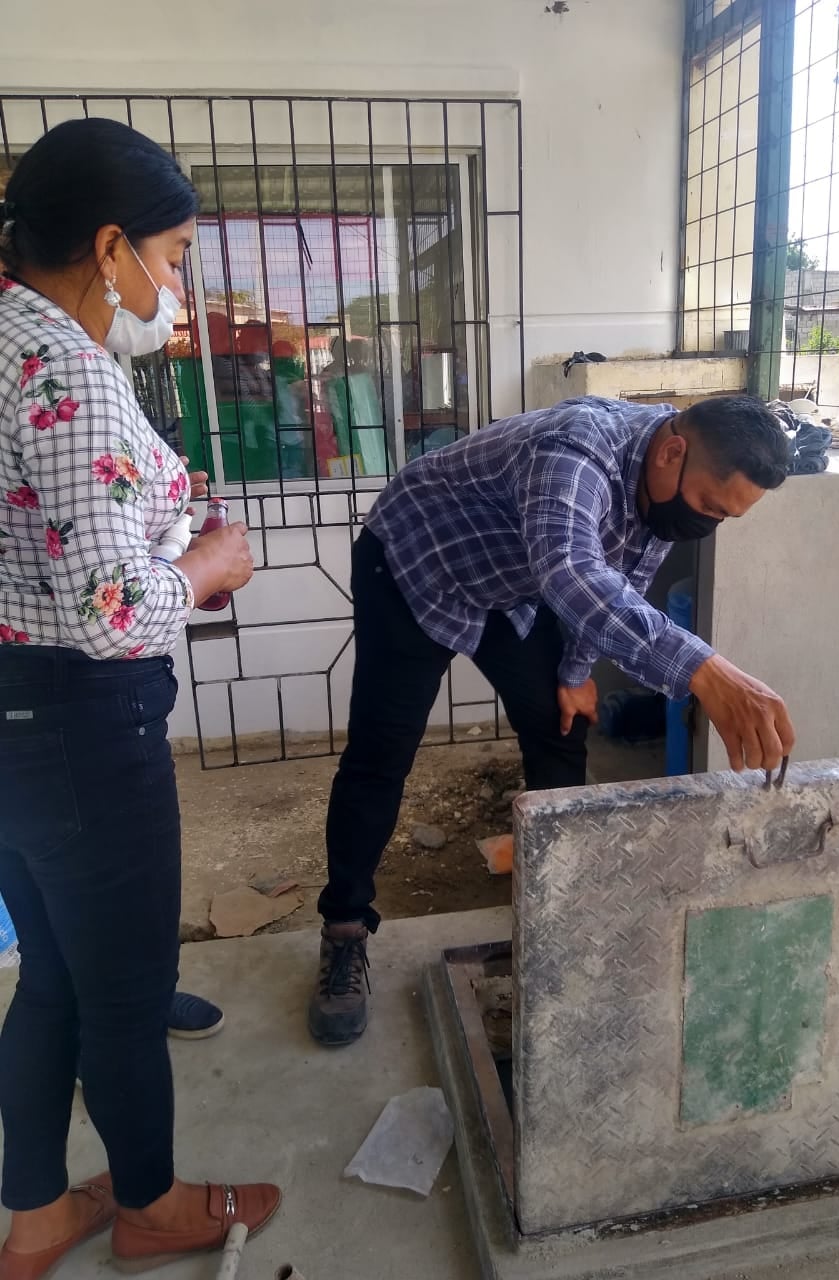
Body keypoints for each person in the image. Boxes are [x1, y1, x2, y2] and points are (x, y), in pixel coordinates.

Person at [0, 118, 280, 1278]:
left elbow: (51, 536)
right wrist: (207, 564)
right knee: (120, 987)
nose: (174, 287)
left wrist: (157, 503)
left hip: (15, 709)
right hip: (79, 722)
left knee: (52, 975)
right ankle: (153, 1205)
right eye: (170, 257)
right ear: (109, 247)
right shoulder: (68, 369)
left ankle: (33, 1217)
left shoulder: (9, 338)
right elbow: (114, 613)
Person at [307, 393, 797, 1046]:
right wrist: (706, 672)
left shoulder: (666, 487)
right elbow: (571, 571)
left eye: (725, 517)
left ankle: (559, 914)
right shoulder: (574, 450)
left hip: (507, 589)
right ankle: (344, 929)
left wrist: (574, 673)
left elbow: (624, 578)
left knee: (564, 726)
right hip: (414, 564)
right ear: (672, 452)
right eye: (709, 505)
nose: (707, 523)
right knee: (381, 753)